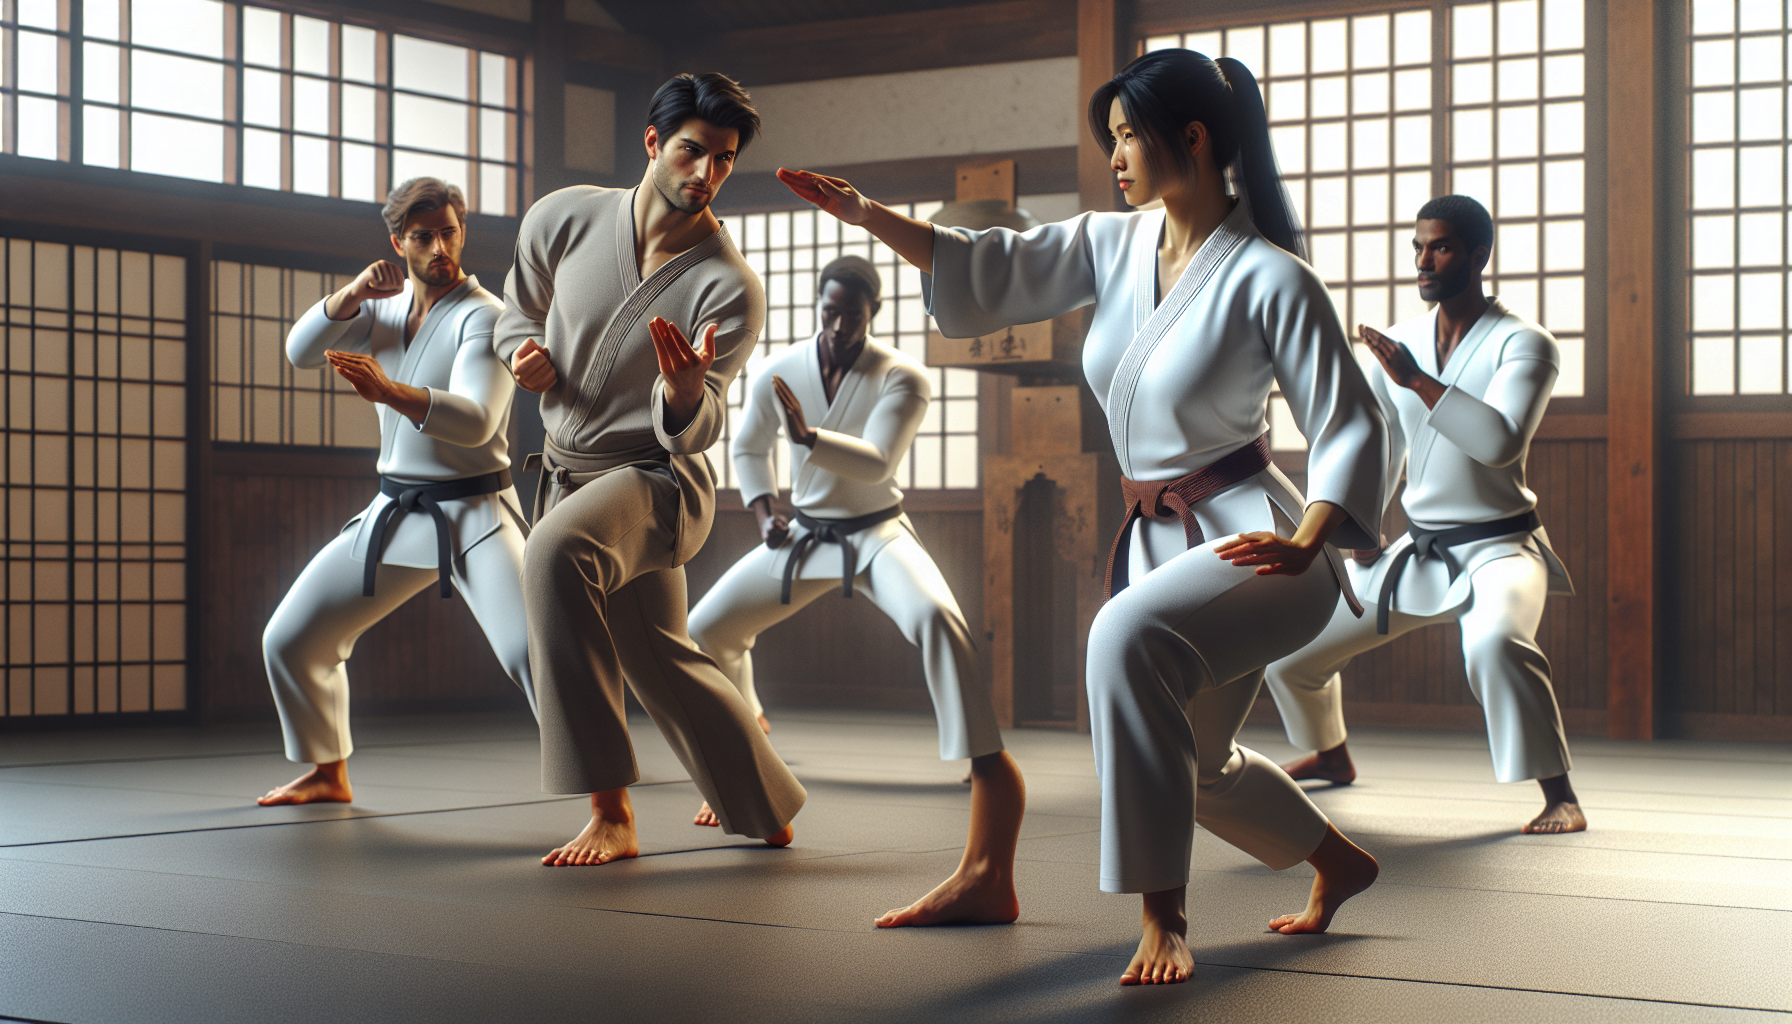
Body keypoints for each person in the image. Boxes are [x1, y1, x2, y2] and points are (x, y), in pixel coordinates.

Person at [780, 47, 1386, 985]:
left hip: (1261, 540)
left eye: (1128, 137)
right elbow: (992, 270)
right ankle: (1339, 864)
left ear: (1190, 137)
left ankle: (1162, 917)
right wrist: (869, 217)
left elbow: (1348, 417)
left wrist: (1311, 536)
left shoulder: (1274, 277)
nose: (1114, 157)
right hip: (1160, 540)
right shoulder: (1116, 241)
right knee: (1200, 765)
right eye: (1111, 141)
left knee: (1118, 641)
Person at [495, 72, 805, 867]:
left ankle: (610, 810)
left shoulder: (728, 286)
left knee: (554, 554)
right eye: (692, 151)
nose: (706, 173)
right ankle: (762, 801)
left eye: (724, 159)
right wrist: (520, 355)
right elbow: (517, 311)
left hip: (657, 479)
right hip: (568, 471)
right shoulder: (561, 218)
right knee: (659, 652)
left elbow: (699, 431)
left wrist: (683, 393)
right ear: (652, 145)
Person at [687, 255, 1025, 927]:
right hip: (804, 536)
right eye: (830, 311)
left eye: (853, 314)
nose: (839, 325)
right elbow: (748, 447)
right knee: (707, 628)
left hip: (877, 535)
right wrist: (763, 512)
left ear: (873, 313)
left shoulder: (902, 377)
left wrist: (809, 437)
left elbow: (877, 460)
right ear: (819, 307)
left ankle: (978, 756)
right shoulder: (783, 369)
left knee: (938, 619)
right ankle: (749, 735)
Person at [1263, 195, 1584, 835]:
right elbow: (1381, 442)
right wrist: (1363, 527)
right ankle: (1331, 752)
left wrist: (1418, 382)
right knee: (1288, 647)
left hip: (1500, 548)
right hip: (1419, 548)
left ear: (1477, 255)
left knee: (1495, 643)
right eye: (1418, 247)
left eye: (1439, 247)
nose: (1424, 260)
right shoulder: (1402, 343)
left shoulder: (1525, 344)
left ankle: (1560, 794)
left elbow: (1499, 442)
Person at [258, 178, 533, 806]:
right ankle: (327, 773)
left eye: (450, 232)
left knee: (533, 654)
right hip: (396, 509)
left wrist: (389, 392)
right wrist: (353, 293)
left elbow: (475, 420)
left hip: (474, 512)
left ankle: (609, 804)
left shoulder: (484, 316)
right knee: (293, 638)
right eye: (423, 236)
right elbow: (301, 352)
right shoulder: (378, 311)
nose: (440, 246)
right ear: (396, 242)